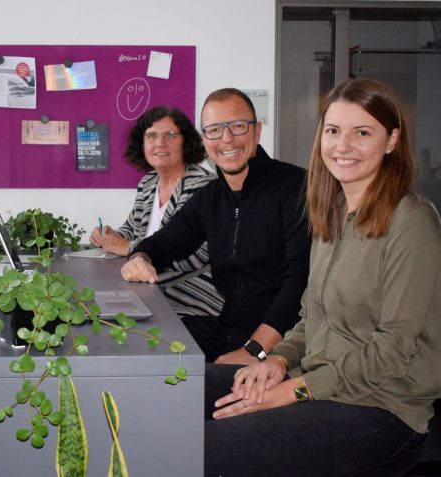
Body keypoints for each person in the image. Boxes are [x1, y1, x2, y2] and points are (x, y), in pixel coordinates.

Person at [205, 78, 441, 476]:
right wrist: (276, 361)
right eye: (333, 131)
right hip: (316, 381)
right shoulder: (331, 213)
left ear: (391, 140)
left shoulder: (412, 221)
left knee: (198, 448)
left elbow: (391, 350)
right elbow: (310, 319)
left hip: (382, 407)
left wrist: (293, 391)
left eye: (362, 133)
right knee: (179, 391)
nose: (343, 146)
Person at [121, 88, 310, 364]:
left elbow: (300, 281)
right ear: (205, 140)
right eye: (214, 130)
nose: (226, 139)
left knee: (188, 379)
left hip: (282, 343)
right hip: (227, 328)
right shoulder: (210, 197)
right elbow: (163, 243)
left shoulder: (295, 187)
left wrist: (255, 350)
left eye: (238, 126)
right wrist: (140, 257)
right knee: (141, 349)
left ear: (257, 131)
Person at [90, 106, 224, 324]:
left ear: (186, 142)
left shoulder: (202, 185)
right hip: (147, 292)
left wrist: (129, 248)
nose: (160, 143)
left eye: (170, 135)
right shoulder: (148, 182)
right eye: (151, 136)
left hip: (190, 300)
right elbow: (131, 228)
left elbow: (195, 255)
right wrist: (111, 235)